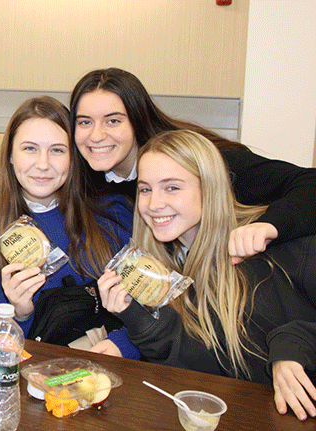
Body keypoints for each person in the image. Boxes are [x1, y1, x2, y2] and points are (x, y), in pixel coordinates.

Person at [98, 130, 316, 421]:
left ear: (209, 189)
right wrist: (137, 318)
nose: (153, 204)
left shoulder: (279, 244)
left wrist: (293, 345)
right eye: (145, 189)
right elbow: (204, 372)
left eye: (172, 188)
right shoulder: (167, 272)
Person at [70, 67, 316, 265]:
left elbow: (309, 183)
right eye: (85, 122)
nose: (96, 135)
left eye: (113, 121)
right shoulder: (88, 180)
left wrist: (268, 227)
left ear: (138, 119)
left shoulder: (207, 163)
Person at [0, 96, 136, 357]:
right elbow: (8, 347)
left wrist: (124, 344)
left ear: (74, 157)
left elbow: (156, 304)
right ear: (10, 156)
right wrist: (21, 312)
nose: (43, 164)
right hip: (42, 372)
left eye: (57, 150)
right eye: (29, 149)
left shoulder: (113, 213)